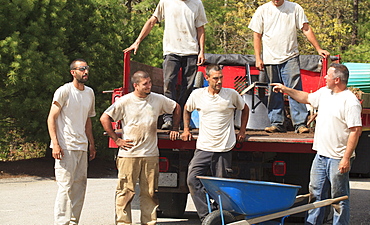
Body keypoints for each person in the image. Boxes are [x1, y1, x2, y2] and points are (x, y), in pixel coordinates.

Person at [271, 63, 362, 225]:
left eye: (328, 75)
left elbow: (355, 131)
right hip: (321, 156)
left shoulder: (350, 102)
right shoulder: (325, 93)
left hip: (337, 158)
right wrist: (286, 89)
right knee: (316, 195)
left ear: (337, 79)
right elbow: (305, 97)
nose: (325, 77)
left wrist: (346, 158)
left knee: (338, 198)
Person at [123, 0, 208, 130]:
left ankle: (181, 117)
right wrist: (138, 41)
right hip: (171, 50)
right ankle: (168, 118)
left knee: (188, 87)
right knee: (169, 84)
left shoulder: (197, 4)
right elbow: (151, 21)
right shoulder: (166, 1)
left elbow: (200, 29)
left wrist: (201, 51)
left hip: (191, 51)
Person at [248, 0, 330, 133]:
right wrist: (258, 58)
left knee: (294, 89)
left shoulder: (294, 8)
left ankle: (300, 124)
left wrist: (318, 48)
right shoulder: (262, 10)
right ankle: (277, 122)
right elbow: (257, 35)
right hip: (270, 58)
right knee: (273, 90)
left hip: (290, 56)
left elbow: (305, 29)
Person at [100, 71, 181, 225]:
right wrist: (117, 140)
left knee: (150, 193)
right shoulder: (125, 101)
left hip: (150, 154)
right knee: (125, 192)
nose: (149, 86)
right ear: (135, 85)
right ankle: (123, 223)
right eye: (145, 84)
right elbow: (105, 117)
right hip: (128, 155)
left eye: (150, 82)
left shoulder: (157, 99)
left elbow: (176, 107)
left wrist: (175, 128)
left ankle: (149, 222)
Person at [181, 64, 249, 221]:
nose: (219, 81)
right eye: (215, 78)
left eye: (221, 78)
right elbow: (187, 109)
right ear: (207, 78)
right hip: (204, 146)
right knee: (192, 179)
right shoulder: (198, 95)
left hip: (224, 147)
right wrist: (186, 129)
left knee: (221, 188)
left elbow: (245, 109)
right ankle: (207, 216)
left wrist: (242, 131)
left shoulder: (231, 94)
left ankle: (219, 217)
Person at [47, 59, 96, 225]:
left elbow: (88, 120)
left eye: (87, 69)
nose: (85, 72)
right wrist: (55, 144)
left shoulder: (89, 93)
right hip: (65, 146)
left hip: (81, 146)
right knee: (65, 187)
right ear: (73, 72)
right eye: (82, 69)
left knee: (79, 187)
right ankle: (62, 222)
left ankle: (74, 221)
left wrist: (91, 143)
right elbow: (51, 118)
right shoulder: (64, 91)